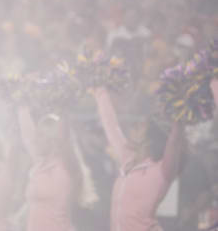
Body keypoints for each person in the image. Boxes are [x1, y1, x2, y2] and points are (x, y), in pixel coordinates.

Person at [91, 87, 185, 231]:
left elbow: (175, 140)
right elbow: (111, 126)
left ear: (149, 139)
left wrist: (180, 113)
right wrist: (100, 93)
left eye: (138, 127)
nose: (131, 129)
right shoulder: (127, 159)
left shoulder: (161, 170)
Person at [17, 107, 83, 231]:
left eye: (40, 135)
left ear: (53, 138)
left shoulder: (63, 168)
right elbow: (27, 136)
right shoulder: (42, 164)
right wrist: (22, 107)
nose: (35, 140)